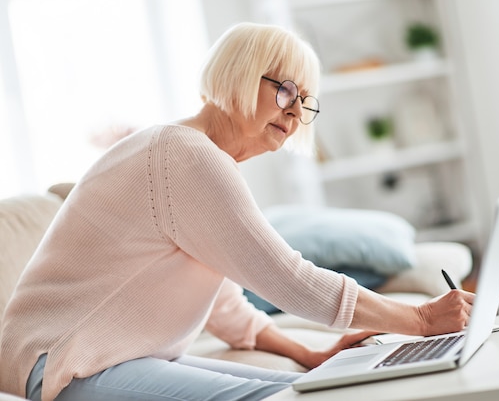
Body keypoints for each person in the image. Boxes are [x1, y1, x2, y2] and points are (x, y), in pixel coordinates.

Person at [0, 22, 474, 401]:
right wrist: (420, 321)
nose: (294, 112)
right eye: (286, 90)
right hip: (62, 364)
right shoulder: (185, 156)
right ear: (239, 75)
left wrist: (310, 355)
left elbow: (224, 302)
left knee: (311, 390)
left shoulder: (192, 157)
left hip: (109, 358)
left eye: (304, 102)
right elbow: (289, 279)